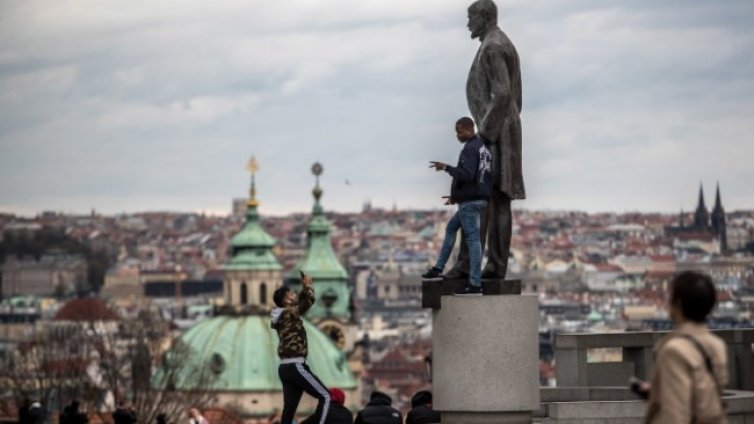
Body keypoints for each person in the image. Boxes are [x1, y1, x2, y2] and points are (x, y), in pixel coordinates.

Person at [446, 0, 524, 281]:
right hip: (506, 128)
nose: (468, 23)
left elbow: (503, 94)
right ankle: (495, 266)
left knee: (478, 197)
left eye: (471, 18)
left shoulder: (492, 46)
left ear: (484, 17)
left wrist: (484, 135)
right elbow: (515, 97)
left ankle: (468, 265)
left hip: (495, 132)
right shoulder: (500, 43)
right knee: (499, 200)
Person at [635, 271, 728, 423]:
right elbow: (705, 395)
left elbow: (676, 415)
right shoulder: (717, 345)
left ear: (678, 303)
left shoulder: (674, 350)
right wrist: (659, 391)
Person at [422, 116, 492, 295]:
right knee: (451, 228)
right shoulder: (482, 148)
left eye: (459, 130)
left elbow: (467, 175)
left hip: (470, 203)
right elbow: (477, 179)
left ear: (469, 129)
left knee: (473, 241)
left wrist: (446, 168)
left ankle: (475, 284)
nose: (457, 135)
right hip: (475, 199)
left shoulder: (470, 149)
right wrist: (456, 197)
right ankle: (438, 268)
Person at [271, 273, 331, 424]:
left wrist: (304, 289)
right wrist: (308, 287)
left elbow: (302, 302)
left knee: (289, 409)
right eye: (291, 293)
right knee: (326, 396)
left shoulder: (281, 316)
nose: (294, 294)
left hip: (285, 367)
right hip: (295, 365)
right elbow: (307, 302)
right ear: (287, 300)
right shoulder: (288, 313)